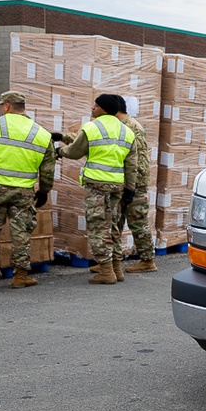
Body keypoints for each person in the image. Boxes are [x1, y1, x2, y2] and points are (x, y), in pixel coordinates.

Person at [0, 90, 55, 292]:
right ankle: (20, 275)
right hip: (23, 190)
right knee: (21, 232)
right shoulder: (42, 134)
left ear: (7, 106)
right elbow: (48, 168)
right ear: (23, 107)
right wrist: (44, 190)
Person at [53, 94, 137, 285]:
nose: (92, 107)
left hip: (96, 185)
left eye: (96, 105)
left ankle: (106, 272)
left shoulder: (92, 127)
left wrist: (59, 152)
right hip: (117, 186)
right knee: (114, 226)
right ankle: (117, 268)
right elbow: (132, 165)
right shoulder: (127, 132)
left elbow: (75, 152)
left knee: (98, 227)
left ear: (104, 109)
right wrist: (130, 189)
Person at [114, 96, 157, 273]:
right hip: (123, 181)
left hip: (134, 183)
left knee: (137, 221)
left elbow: (138, 159)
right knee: (116, 221)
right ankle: (111, 261)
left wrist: (134, 185)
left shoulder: (131, 126)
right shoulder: (122, 125)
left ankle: (147, 260)